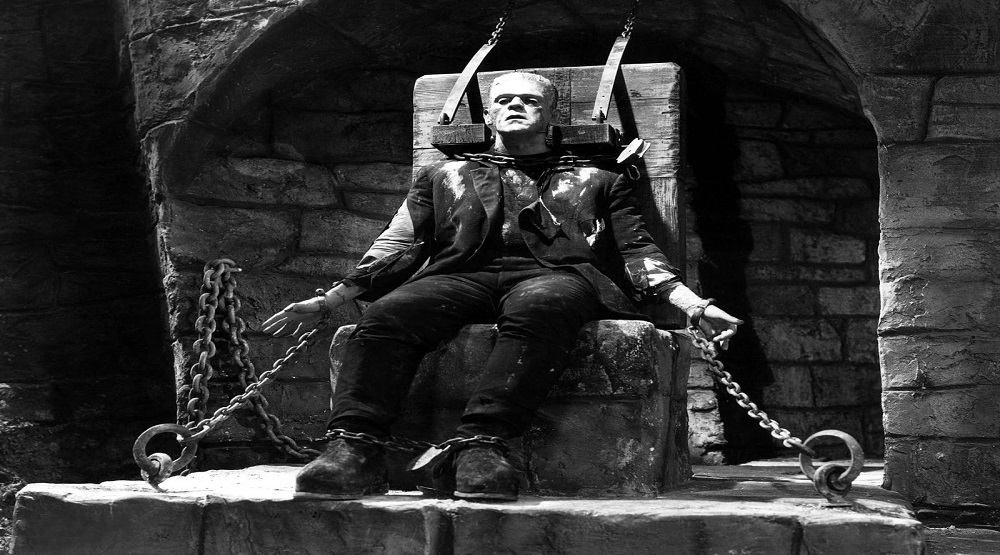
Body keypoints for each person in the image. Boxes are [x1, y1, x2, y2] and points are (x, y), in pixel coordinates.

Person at [262, 71, 742, 501]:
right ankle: (355, 448)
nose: (515, 105)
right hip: (459, 276)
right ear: (489, 115)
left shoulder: (600, 180)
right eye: (504, 100)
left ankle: (482, 445)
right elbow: (399, 243)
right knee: (388, 314)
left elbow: (638, 251)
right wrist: (332, 298)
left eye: (529, 101)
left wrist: (695, 306)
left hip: (554, 277)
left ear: (550, 115)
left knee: (543, 306)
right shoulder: (442, 176)